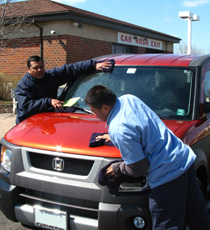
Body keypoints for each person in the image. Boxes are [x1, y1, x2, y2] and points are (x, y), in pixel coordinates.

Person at [85, 85, 210, 230]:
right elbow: (143, 128)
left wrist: (117, 168)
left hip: (167, 176)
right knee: (197, 216)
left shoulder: (119, 129)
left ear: (105, 108)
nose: (94, 115)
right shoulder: (129, 99)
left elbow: (138, 167)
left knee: (167, 225)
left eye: (94, 111)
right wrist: (114, 137)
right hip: (183, 161)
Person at [15, 56, 113, 124]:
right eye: (35, 68)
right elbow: (26, 106)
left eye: (41, 67)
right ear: (28, 69)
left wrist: (93, 65)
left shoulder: (50, 76)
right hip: (29, 122)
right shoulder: (23, 85)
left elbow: (71, 69)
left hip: (49, 119)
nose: (40, 70)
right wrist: (48, 101)